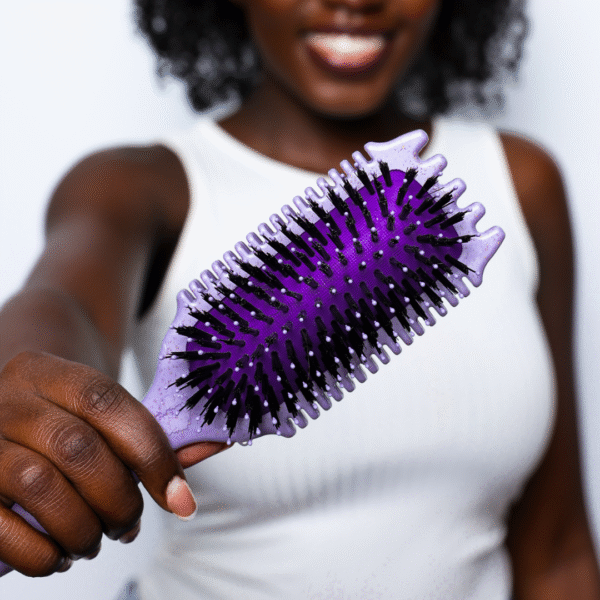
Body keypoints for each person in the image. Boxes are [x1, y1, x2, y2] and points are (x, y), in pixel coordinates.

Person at [0, 0, 598, 598]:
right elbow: (63, 304)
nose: (356, 0)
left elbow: (557, 550)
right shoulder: (137, 186)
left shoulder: (518, 181)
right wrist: (29, 390)